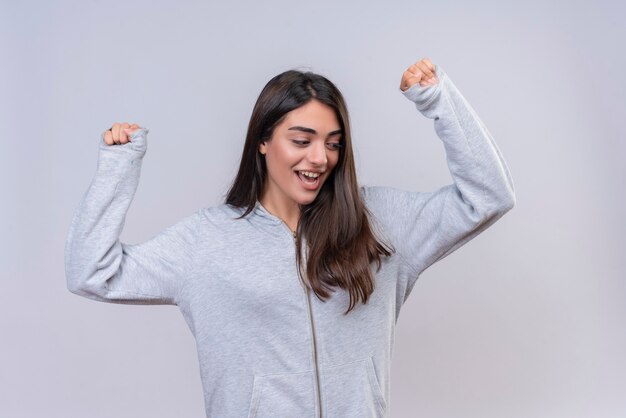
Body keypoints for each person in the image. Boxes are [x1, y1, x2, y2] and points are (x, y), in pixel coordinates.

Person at [65, 58, 515, 417]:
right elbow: (92, 272)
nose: (320, 158)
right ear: (263, 141)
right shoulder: (207, 241)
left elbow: (488, 196)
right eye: (301, 140)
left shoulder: (379, 223)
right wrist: (117, 169)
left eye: (333, 143)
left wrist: (438, 101)